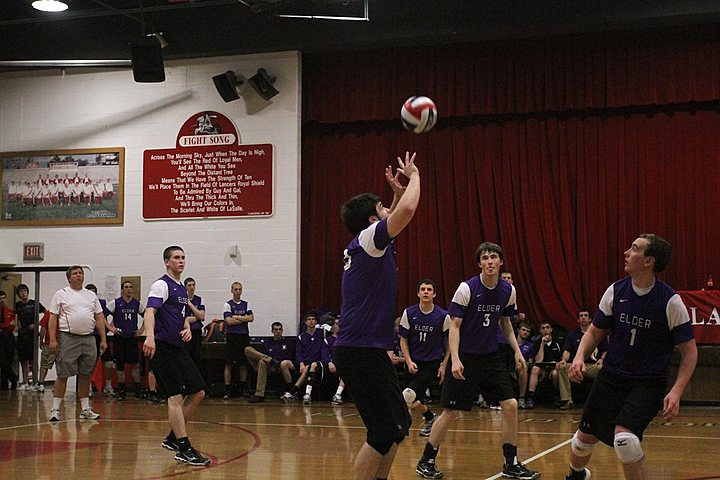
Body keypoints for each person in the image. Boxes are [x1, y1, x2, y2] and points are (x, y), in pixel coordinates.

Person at [565, 234, 698, 480]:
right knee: (583, 442)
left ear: (648, 261)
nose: (626, 252)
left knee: (625, 441)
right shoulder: (616, 291)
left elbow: (690, 351)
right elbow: (595, 331)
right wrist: (579, 357)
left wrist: (677, 391)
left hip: (647, 382)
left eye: (634, 249)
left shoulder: (670, 302)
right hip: (610, 378)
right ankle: (576, 475)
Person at [415, 242, 540, 480]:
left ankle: (511, 462)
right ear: (479, 264)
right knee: (450, 412)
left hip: (491, 357)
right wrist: (455, 360)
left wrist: (517, 351)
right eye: (485, 258)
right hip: (466, 358)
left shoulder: (508, 290)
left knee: (511, 405)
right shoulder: (467, 288)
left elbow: (506, 323)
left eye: (494, 257)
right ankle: (426, 461)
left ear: (501, 262)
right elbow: (454, 325)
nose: (490, 261)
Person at [333, 151, 419, 480]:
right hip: (360, 350)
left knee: (398, 427)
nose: (388, 211)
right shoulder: (370, 239)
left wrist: (395, 195)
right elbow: (407, 211)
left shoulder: (365, 242)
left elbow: (395, 212)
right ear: (373, 220)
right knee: (383, 433)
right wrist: (415, 178)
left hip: (365, 349)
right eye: (381, 209)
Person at [142, 245, 210, 466]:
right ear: (166, 262)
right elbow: (150, 311)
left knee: (198, 391)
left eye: (183, 257)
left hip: (178, 348)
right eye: (176, 258)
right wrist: (149, 337)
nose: (181, 261)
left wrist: (187, 327)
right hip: (162, 346)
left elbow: (179, 315)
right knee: (175, 397)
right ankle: (184, 447)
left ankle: (173, 438)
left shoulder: (180, 288)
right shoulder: (161, 285)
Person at [47, 266, 107, 421]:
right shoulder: (61, 294)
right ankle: (55, 409)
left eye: (81, 273)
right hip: (68, 337)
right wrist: (53, 339)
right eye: (75, 273)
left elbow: (99, 318)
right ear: (69, 278)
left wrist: (103, 339)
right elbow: (52, 317)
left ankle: (85, 409)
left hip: (88, 338)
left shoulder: (91, 295)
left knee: (86, 374)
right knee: (63, 374)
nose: (79, 275)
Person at [398, 279, 450, 437]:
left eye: (429, 289)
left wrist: (443, 365)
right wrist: (408, 360)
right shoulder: (409, 313)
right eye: (423, 289)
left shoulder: (442, 316)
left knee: (407, 395)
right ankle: (430, 418)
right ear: (418, 293)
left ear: (434, 294)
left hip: (431, 362)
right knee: (414, 400)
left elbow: (449, 344)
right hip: (413, 361)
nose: (426, 292)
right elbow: (403, 339)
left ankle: (399, 425)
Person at [556, 309, 609, 410]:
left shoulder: (598, 333)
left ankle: (599, 402)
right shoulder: (572, 334)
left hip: (592, 366)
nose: (583, 318)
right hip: (576, 365)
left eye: (586, 316)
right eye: (581, 316)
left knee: (602, 369)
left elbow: (605, 352)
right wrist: (563, 360)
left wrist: (602, 359)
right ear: (578, 320)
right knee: (562, 367)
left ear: (590, 319)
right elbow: (567, 351)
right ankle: (567, 400)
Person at [105, 281, 145, 400]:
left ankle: (137, 390)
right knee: (120, 366)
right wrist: (110, 327)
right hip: (119, 338)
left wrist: (142, 329)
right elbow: (101, 316)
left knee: (135, 365)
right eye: (126, 287)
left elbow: (147, 316)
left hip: (132, 338)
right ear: (122, 290)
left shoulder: (137, 304)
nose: (129, 289)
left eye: (130, 287)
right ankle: (121, 391)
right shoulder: (115, 303)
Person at [244, 321, 296, 403]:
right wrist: (270, 360)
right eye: (276, 330)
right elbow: (261, 355)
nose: (278, 331)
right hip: (268, 364)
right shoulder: (267, 343)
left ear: (282, 331)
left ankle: (259, 394)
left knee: (262, 362)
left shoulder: (287, 343)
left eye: (280, 329)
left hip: (279, 366)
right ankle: (271, 360)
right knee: (248, 350)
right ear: (272, 331)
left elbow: (288, 358)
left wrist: (277, 363)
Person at [281, 312, 324, 404]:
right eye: (309, 319)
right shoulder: (301, 337)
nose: (311, 321)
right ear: (305, 322)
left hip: (316, 363)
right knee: (284, 363)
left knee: (308, 367)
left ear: (316, 321)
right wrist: (301, 363)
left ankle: (293, 392)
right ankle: (291, 389)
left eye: (313, 319)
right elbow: (298, 353)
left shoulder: (322, 334)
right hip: (304, 362)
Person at [222, 281, 254, 399]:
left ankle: (243, 389)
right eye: (235, 289)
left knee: (243, 364)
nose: (238, 291)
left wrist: (237, 317)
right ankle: (227, 390)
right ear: (232, 290)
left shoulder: (246, 304)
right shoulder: (227, 304)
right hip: (232, 337)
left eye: (239, 289)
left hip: (243, 336)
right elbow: (229, 321)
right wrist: (243, 319)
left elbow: (251, 318)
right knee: (229, 363)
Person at [85, 284, 116, 397]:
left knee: (108, 363)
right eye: (90, 292)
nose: (92, 294)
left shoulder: (101, 303)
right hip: (89, 336)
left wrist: (110, 326)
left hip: (101, 336)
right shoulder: (82, 304)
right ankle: (87, 388)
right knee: (88, 363)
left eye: (94, 292)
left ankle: (108, 386)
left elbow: (103, 317)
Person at [14, 284, 46, 390]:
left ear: (27, 292)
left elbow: (47, 314)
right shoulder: (18, 305)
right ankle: (25, 382)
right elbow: (16, 318)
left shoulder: (34, 303)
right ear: (18, 294)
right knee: (23, 359)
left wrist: (37, 325)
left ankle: (35, 382)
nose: (23, 293)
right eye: (21, 292)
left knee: (33, 358)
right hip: (22, 334)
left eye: (24, 291)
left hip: (32, 334)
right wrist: (17, 327)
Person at [525, 320, 562, 408]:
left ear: (551, 329)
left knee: (555, 373)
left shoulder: (557, 342)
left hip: (554, 368)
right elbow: (538, 361)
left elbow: (561, 359)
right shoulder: (537, 343)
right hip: (542, 368)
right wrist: (542, 344)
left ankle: (557, 396)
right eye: (543, 328)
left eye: (547, 328)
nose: (545, 330)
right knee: (535, 369)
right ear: (540, 331)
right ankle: (530, 397)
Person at [322, 316, 346, 405]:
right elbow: (324, 354)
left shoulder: (345, 340)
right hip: (331, 363)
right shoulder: (327, 340)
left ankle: (337, 394)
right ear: (332, 326)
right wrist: (329, 362)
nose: (338, 326)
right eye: (336, 324)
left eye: (340, 324)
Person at [183, 278, 206, 368]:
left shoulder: (199, 299)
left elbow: (202, 316)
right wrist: (197, 316)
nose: (192, 287)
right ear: (185, 287)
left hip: (196, 331)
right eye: (189, 285)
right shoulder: (182, 300)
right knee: (186, 356)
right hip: (186, 332)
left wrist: (190, 304)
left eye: (193, 285)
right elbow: (183, 318)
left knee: (197, 356)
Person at [515, 321, 538, 409]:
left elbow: (531, 362)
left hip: (523, 366)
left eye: (528, 331)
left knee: (523, 367)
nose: (525, 332)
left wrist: (522, 363)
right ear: (518, 330)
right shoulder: (510, 343)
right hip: (509, 365)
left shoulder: (530, 346)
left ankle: (521, 398)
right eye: (523, 330)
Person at [0, 290, 19, 390]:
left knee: (8, 360)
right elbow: (9, 325)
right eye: (0, 298)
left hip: (8, 337)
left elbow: (13, 326)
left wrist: (7, 326)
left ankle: (4, 384)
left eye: (3, 298)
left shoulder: (10, 311)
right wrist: (7, 325)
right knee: (2, 360)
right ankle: (13, 378)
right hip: (1, 337)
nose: (2, 300)